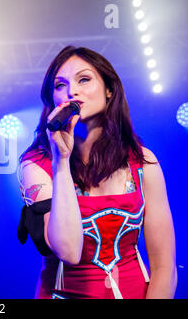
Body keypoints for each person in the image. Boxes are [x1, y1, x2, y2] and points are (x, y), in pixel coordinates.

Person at [16, 45, 177, 299]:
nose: (72, 91)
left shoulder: (143, 162)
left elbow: (164, 267)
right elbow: (68, 250)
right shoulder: (36, 165)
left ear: (109, 90)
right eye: (60, 85)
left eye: (84, 79)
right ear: (52, 101)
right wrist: (61, 160)